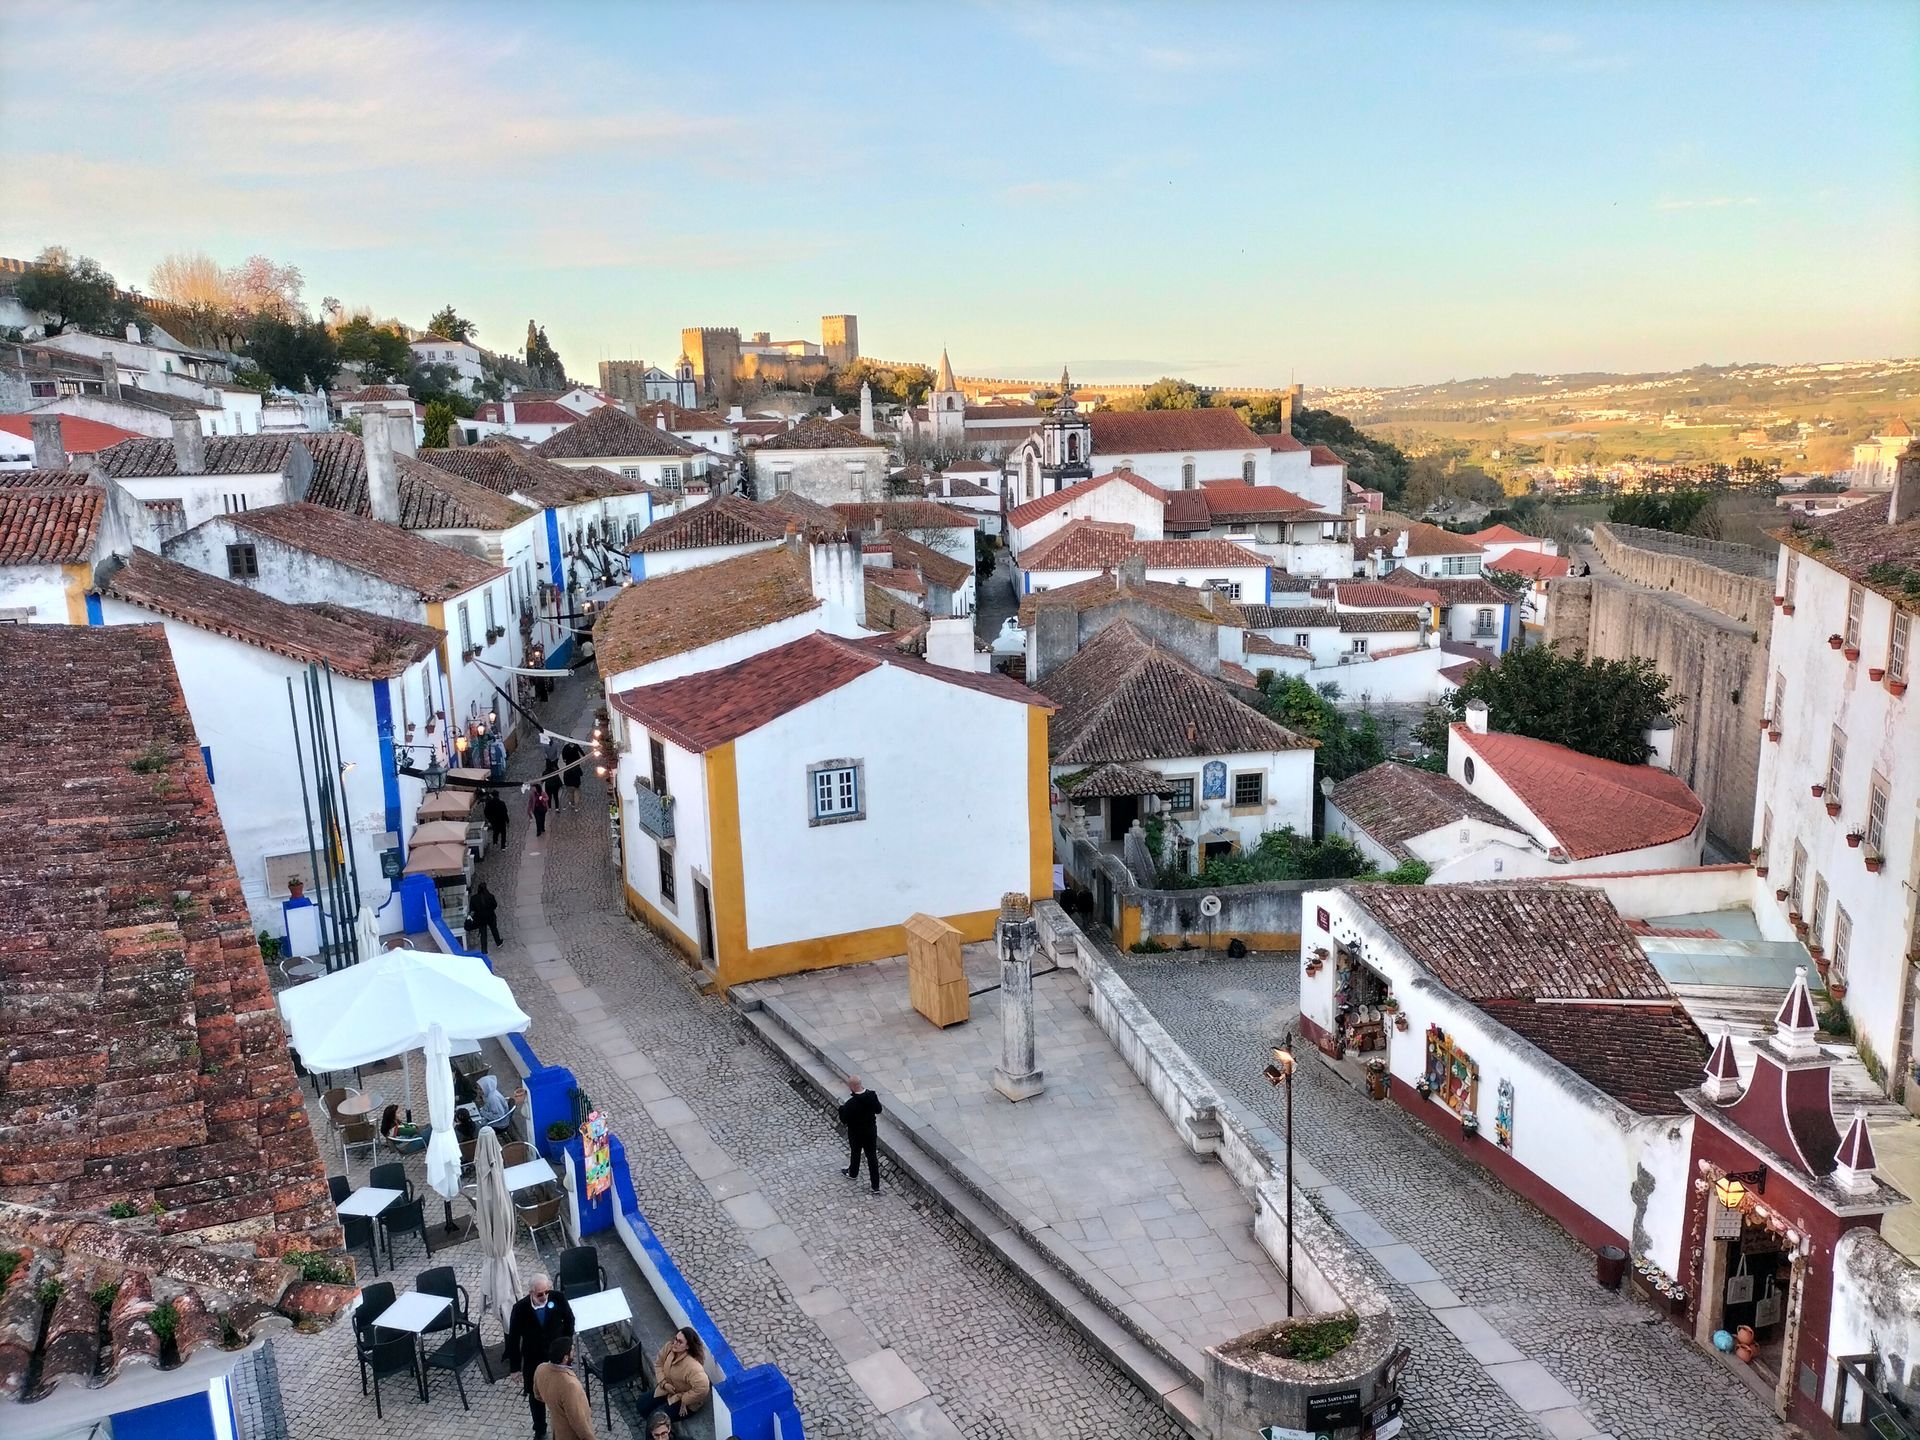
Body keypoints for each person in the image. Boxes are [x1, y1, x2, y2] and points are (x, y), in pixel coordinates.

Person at [502, 1274, 576, 1440]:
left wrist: (566, 1345)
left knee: (564, 1391)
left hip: (558, 1357)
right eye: (540, 1294)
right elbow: (513, 1340)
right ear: (531, 1293)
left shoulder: (558, 1298)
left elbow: (569, 1320)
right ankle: (540, 1430)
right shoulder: (520, 1309)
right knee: (535, 1397)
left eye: (546, 1292)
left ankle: (566, 1427)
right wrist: (514, 1368)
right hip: (533, 1359)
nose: (544, 1296)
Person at [532, 1333, 597, 1440]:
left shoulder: (541, 1369)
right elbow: (578, 1421)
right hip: (570, 1435)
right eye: (572, 1351)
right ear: (565, 1358)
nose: (574, 1352)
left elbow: (538, 1395)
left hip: (557, 1429)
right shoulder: (569, 1385)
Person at [643, 1327, 710, 1423]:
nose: (675, 1343)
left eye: (679, 1342)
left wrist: (684, 1399)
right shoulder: (669, 1347)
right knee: (642, 1404)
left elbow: (703, 1388)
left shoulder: (693, 1367)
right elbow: (659, 1364)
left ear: (687, 1346)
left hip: (686, 1402)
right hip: (668, 1388)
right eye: (675, 1339)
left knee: (657, 1419)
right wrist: (664, 1383)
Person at [839, 1075, 883, 1192]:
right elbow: (878, 1110)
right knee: (872, 1157)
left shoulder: (850, 1104)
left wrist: (841, 1109)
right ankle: (875, 1186)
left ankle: (853, 1172)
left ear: (852, 1087)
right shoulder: (872, 1095)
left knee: (856, 1152)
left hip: (856, 1132)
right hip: (870, 1131)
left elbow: (844, 1120)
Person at [468, 882, 502, 953]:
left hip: (480, 918)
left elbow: (472, 910)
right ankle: (498, 942)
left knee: (483, 934)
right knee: (494, 930)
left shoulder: (474, 898)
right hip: (490, 916)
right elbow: (495, 905)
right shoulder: (490, 896)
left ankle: (484, 950)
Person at [560, 741, 585, 810]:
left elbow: (564, 777)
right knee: (576, 794)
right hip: (576, 784)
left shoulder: (567, 769)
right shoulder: (577, 768)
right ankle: (576, 807)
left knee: (570, 794)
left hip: (569, 784)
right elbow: (581, 774)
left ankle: (572, 803)